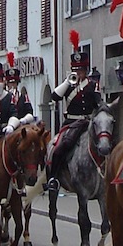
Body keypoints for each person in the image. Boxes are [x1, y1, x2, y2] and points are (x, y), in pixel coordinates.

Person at [46, 33, 100, 190]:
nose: (79, 73)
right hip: (71, 123)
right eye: (76, 70)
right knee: (60, 148)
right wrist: (66, 81)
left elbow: (98, 102)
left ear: (86, 70)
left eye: (81, 70)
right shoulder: (68, 85)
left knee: (104, 143)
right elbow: (54, 96)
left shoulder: (92, 85)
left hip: (88, 122)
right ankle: (54, 178)